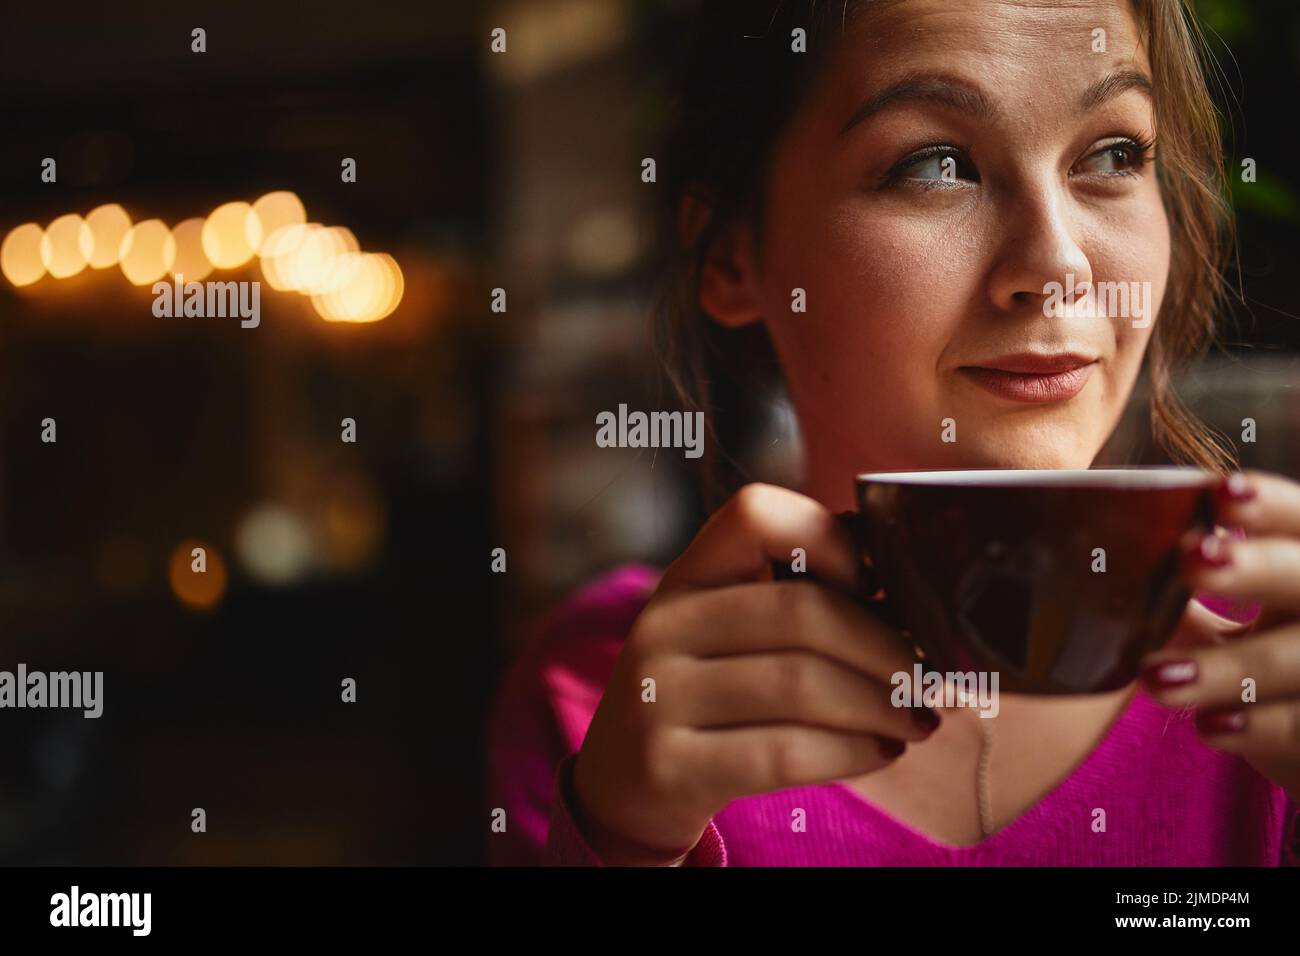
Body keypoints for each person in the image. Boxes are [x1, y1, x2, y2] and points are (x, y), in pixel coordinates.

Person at [486, 0, 1300, 866]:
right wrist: (620, 846)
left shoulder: (1276, 665)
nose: (1058, 265)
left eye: (1112, 155)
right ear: (729, 255)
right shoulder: (610, 706)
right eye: (936, 163)